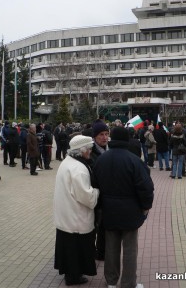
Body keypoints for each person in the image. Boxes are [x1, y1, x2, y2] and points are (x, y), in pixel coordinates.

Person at [93, 127, 154, 288]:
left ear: (112, 138)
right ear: (127, 140)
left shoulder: (101, 159)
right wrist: (146, 206)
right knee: (130, 249)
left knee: (110, 247)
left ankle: (111, 281)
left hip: (109, 210)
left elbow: (95, 185)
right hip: (130, 211)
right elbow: (146, 187)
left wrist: (99, 207)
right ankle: (128, 283)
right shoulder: (134, 160)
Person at [54, 135, 99, 286]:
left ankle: (70, 274)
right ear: (82, 150)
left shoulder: (67, 162)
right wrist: (97, 191)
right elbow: (86, 197)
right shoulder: (79, 169)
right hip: (76, 217)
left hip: (66, 215)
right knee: (76, 250)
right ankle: (74, 276)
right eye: (90, 149)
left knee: (68, 249)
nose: (91, 152)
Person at [90, 119, 110, 261]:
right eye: (101, 134)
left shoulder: (110, 150)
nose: (104, 137)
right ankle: (90, 253)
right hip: (94, 196)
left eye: (106, 134)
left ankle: (101, 252)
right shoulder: (90, 153)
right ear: (94, 137)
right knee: (92, 227)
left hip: (107, 196)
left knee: (104, 227)